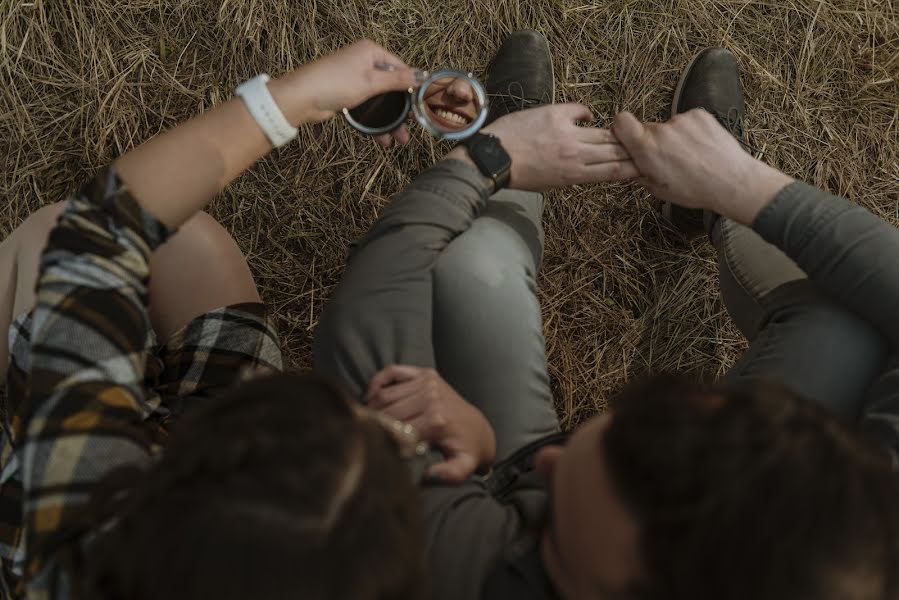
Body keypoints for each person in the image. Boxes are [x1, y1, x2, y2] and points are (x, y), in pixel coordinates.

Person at [313, 32, 899, 600]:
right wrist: (742, 184)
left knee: (470, 260)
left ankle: (517, 156)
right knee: (849, 320)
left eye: (559, 536)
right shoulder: (875, 524)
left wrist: (489, 157)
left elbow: (369, 310)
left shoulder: (449, 570)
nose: (545, 457)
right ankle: (706, 199)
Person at [0, 40, 450, 600]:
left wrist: (290, 100)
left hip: (81, 509)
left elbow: (94, 239)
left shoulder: (79, 541)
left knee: (49, 238)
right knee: (190, 247)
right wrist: (462, 439)